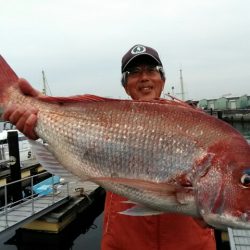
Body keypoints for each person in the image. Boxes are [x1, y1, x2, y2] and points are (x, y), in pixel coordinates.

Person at [3, 44, 216, 250]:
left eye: (152, 70)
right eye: (134, 72)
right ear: (125, 85)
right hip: (123, 242)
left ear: (163, 79)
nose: (144, 77)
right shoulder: (108, 120)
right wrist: (41, 120)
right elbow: (72, 147)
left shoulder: (199, 125)